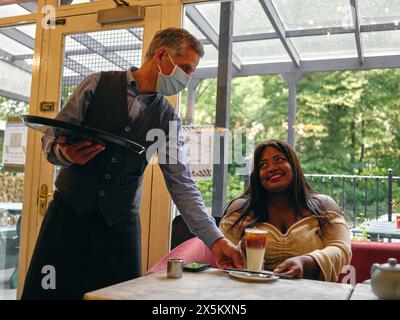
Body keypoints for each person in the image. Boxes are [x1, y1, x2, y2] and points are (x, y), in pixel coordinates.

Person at [22, 27, 244, 299]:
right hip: (68, 218)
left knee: (118, 297)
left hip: (119, 229)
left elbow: (182, 185)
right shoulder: (96, 84)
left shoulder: (168, 118)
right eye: (185, 68)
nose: (187, 78)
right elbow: (51, 138)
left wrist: (216, 239)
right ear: (162, 55)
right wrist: (63, 153)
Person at [219, 140, 351, 282]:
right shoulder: (241, 209)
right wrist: (242, 253)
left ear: (294, 165)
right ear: (257, 175)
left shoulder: (324, 206)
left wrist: (306, 262)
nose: (271, 168)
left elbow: (341, 250)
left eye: (279, 160)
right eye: (263, 165)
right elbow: (222, 254)